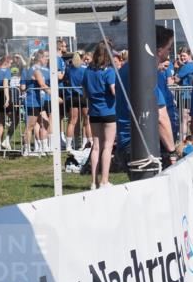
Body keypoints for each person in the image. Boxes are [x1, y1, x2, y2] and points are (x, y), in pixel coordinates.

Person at [115, 26, 178, 170]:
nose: (170, 52)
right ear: (159, 50)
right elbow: (160, 117)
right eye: (169, 48)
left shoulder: (128, 69)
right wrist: (172, 151)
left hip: (138, 142)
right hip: (144, 145)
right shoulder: (146, 73)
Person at [84, 42, 118, 188]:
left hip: (94, 111)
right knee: (107, 146)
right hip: (109, 111)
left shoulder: (88, 71)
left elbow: (85, 91)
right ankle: (104, 180)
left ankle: (93, 181)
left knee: (96, 146)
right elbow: (113, 90)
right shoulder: (109, 71)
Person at [65, 51, 92, 151]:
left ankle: (68, 145)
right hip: (83, 95)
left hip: (73, 96)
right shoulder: (85, 68)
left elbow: (65, 79)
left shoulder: (69, 68)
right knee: (87, 120)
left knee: (72, 121)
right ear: (82, 57)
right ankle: (90, 142)